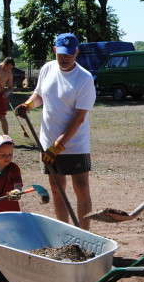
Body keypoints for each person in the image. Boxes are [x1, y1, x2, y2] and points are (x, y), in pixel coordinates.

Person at [14, 33, 96, 230]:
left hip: (75, 145)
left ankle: (85, 236)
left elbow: (79, 118)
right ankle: (65, 234)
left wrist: (58, 146)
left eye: (69, 54)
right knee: (57, 189)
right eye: (61, 54)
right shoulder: (47, 69)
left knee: (81, 189)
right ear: (54, 50)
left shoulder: (84, 79)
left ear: (76, 52)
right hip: (47, 141)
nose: (65, 58)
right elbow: (40, 94)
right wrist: (28, 104)